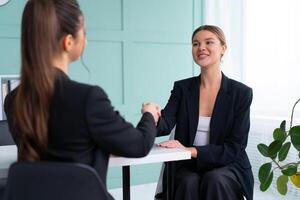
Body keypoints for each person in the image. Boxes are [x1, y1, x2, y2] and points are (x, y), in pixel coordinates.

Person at [4, 0, 160, 199]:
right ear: (68, 42)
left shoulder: (13, 100)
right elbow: (139, 145)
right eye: (84, 32)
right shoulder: (87, 99)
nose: (85, 39)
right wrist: (149, 114)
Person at [144, 25, 254, 200]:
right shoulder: (182, 88)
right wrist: (150, 115)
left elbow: (235, 147)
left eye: (208, 42)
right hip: (188, 165)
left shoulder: (241, 93)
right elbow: (165, 124)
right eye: (195, 44)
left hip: (227, 164)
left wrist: (191, 150)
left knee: (215, 179)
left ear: (223, 48)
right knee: (189, 181)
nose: (201, 47)